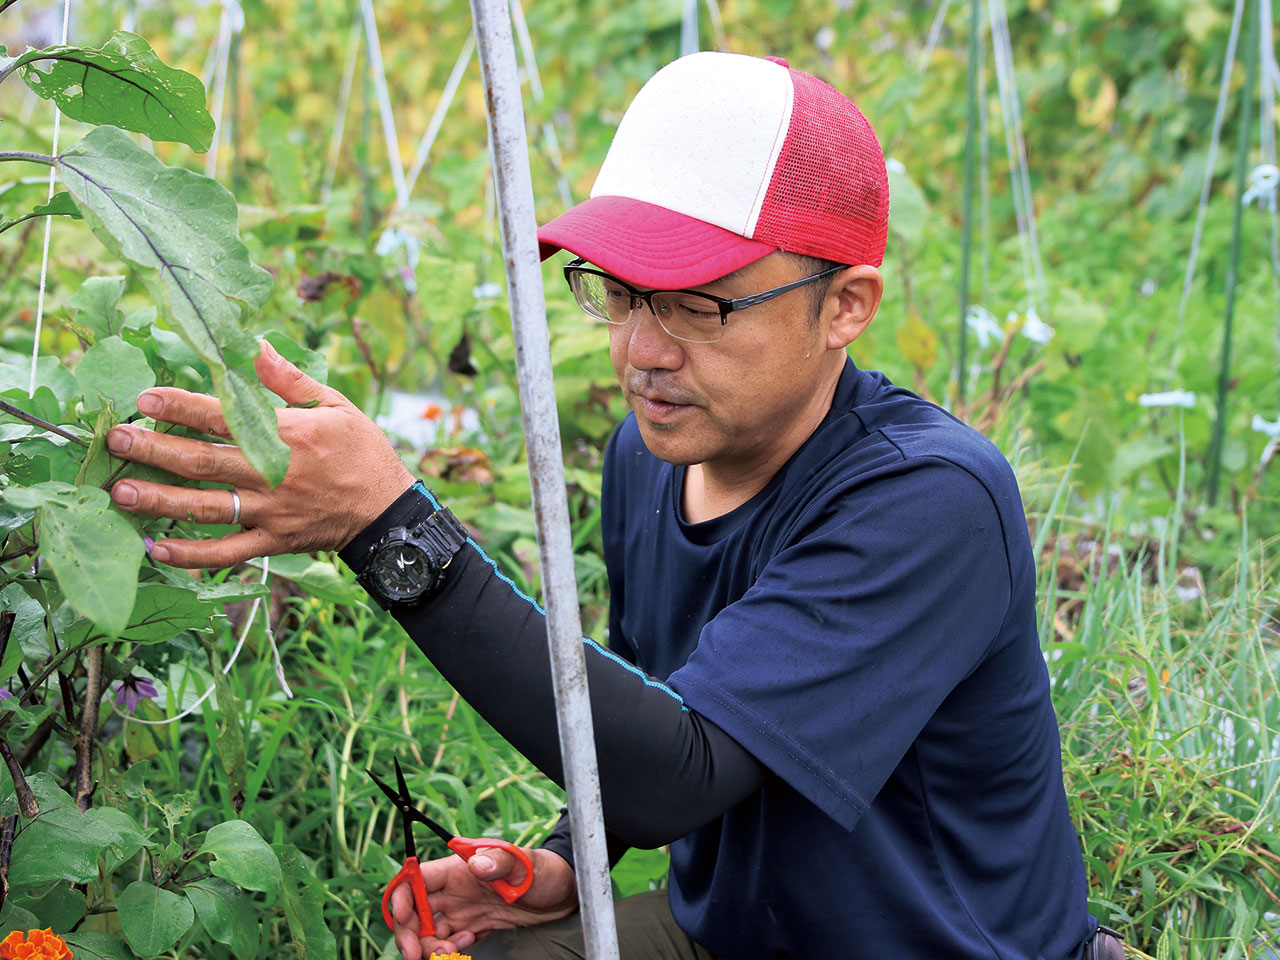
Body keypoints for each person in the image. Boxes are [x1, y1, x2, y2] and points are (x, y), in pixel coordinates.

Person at [103, 52, 1119, 960]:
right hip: (723, 932)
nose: (640, 353)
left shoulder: (925, 499)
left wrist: (393, 529)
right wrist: (564, 861)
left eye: (697, 305)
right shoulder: (651, 454)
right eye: (621, 292)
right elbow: (664, 712)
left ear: (843, 306)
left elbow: (673, 776)